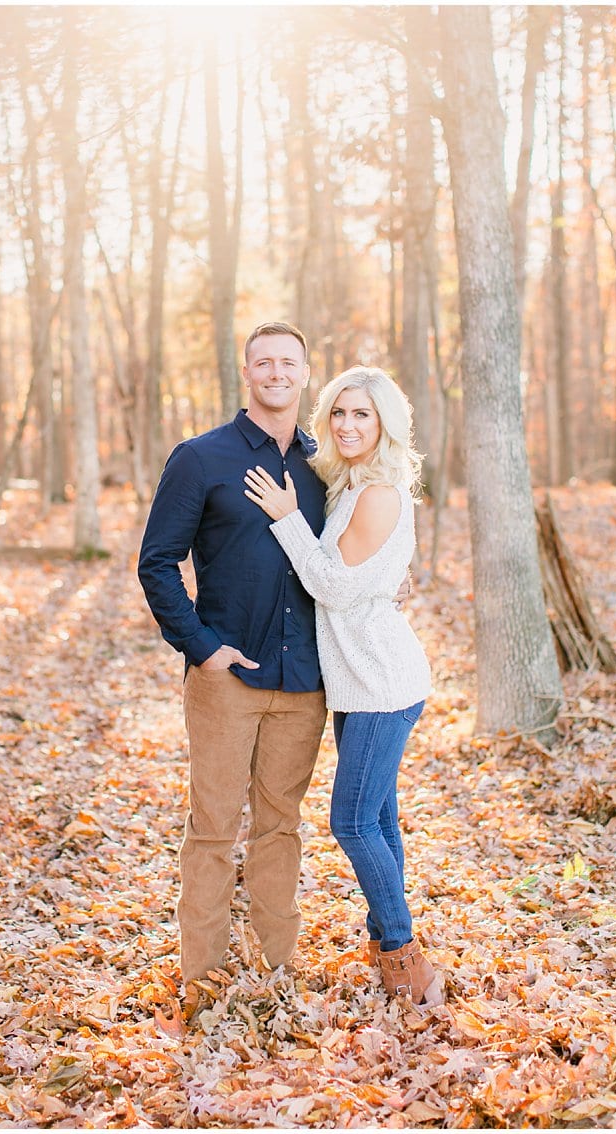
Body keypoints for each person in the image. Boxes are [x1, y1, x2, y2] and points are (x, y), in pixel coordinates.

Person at [138, 321, 328, 1005]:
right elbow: (157, 561)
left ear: (306, 373)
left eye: (289, 362)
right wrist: (202, 646)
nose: (276, 372)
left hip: (305, 681)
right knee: (214, 830)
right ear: (246, 372)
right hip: (226, 678)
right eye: (264, 362)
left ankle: (277, 971)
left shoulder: (326, 462)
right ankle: (202, 977)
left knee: (281, 829)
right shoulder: (201, 458)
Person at [242, 365, 442, 1005]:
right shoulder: (348, 485)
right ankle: (387, 934)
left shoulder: (379, 491)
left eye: (364, 415)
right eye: (340, 413)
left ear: (385, 424)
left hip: (384, 683)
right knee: (379, 818)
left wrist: (284, 517)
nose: (349, 425)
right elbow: (357, 578)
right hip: (357, 682)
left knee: (352, 822)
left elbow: (329, 585)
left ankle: (403, 957)